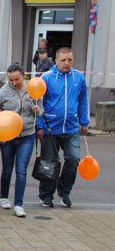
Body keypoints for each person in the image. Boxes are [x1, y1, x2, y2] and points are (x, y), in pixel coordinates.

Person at [37, 47, 89, 208]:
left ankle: (64, 191)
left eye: (70, 60)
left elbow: (83, 100)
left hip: (72, 128)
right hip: (50, 129)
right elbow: (38, 102)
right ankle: (46, 195)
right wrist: (40, 125)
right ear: (56, 61)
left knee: (73, 159)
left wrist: (84, 121)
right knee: (50, 163)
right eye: (63, 60)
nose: (67, 63)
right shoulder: (46, 77)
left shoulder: (79, 78)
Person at [0, 63, 38, 217]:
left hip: (27, 135)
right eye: (10, 79)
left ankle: (19, 204)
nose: (13, 83)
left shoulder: (32, 89)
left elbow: (41, 109)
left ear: (23, 75)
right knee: (7, 169)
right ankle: (4, 197)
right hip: (8, 136)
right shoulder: (4, 91)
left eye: (16, 79)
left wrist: (38, 110)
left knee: (21, 170)